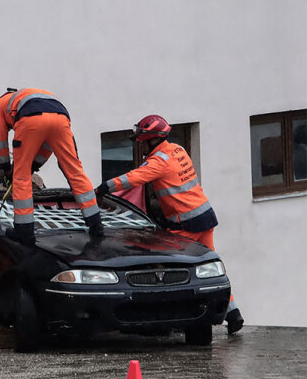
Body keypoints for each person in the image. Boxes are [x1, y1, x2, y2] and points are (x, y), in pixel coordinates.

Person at [95, 114, 244, 334]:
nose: (142, 145)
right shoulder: (177, 150)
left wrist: (104, 187)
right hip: (204, 216)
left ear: (153, 140)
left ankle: (170, 318)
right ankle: (233, 313)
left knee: (167, 269)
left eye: (143, 141)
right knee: (211, 268)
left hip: (185, 223)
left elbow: (135, 178)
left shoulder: (158, 161)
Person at [0, 87, 103, 245]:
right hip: (61, 118)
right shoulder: (31, 96)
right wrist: (35, 165)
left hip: (29, 119)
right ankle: (96, 225)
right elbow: (47, 144)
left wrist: (7, 168)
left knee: (21, 176)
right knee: (75, 171)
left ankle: (24, 232)